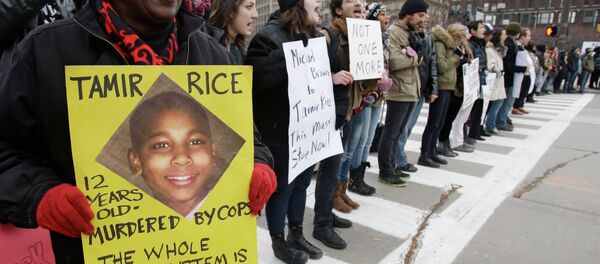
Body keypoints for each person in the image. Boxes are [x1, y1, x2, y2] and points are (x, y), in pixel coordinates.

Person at [0, 0, 277, 263]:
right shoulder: (46, 52)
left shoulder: (213, 54)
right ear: (134, 159)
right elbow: (7, 153)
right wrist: (40, 194)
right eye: (160, 145)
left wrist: (257, 165)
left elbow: (250, 142)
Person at [246, 0, 353, 261]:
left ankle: (296, 232)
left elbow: (334, 78)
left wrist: (334, 119)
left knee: (302, 184)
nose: (318, 3)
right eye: (312, 0)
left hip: (311, 131)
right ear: (296, 5)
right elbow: (257, 79)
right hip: (280, 131)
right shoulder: (266, 37)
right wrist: (292, 53)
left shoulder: (318, 38)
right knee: (283, 187)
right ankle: (278, 241)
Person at [127, 92, 214, 218]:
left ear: (212, 152)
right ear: (136, 161)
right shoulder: (127, 225)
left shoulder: (240, 213)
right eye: (162, 145)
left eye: (195, 142)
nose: (182, 158)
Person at [378, 0, 428, 186]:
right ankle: (385, 170)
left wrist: (413, 54)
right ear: (409, 15)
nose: (424, 19)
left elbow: (416, 57)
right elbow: (395, 62)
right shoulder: (395, 32)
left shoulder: (410, 33)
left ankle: (392, 164)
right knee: (390, 132)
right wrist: (416, 55)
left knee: (399, 132)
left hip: (410, 89)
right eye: (421, 15)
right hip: (398, 90)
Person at [430, 23, 464, 157]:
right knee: (434, 122)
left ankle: (433, 150)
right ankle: (428, 151)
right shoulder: (441, 44)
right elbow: (442, 66)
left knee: (440, 122)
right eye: (459, 38)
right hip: (442, 86)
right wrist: (456, 57)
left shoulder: (451, 47)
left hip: (449, 86)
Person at [208, 0, 257, 64]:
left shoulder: (238, 49)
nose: (256, 15)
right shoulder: (208, 48)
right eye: (249, 6)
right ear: (231, 11)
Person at [484, 28, 507, 135]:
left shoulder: (496, 49)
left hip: (498, 80)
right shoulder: (490, 50)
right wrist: (497, 71)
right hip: (493, 80)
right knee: (494, 102)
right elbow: (490, 65)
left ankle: (490, 124)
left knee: (498, 101)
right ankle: (490, 125)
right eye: (503, 35)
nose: (505, 37)